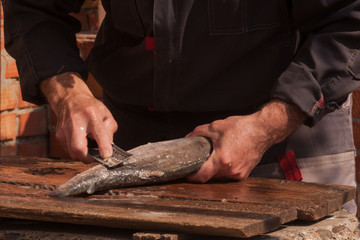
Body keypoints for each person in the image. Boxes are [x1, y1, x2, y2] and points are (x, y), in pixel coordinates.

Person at [3, 0, 360, 214]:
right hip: (134, 149)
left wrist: (264, 127)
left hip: (282, 139)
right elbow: (34, 9)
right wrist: (68, 94)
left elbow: (350, 20)